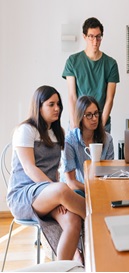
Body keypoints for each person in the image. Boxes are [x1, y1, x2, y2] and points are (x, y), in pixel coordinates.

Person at [8, 86, 87, 261]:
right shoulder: (26, 130)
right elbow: (30, 169)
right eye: (51, 104)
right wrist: (57, 192)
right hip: (23, 195)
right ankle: (98, 218)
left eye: (58, 104)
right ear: (39, 106)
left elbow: (55, 171)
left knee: (73, 221)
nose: (57, 108)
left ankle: (65, 266)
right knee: (63, 190)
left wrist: (57, 194)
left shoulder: (58, 133)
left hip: (50, 194)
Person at [62, 17, 120, 133]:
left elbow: (109, 98)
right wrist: (74, 125)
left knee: (102, 151)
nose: (95, 41)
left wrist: (101, 126)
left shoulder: (111, 64)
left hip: (101, 121)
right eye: (91, 36)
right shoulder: (72, 61)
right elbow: (72, 96)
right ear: (85, 36)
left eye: (98, 37)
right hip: (79, 121)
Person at [62, 96, 115, 197]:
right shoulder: (70, 140)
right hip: (78, 190)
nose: (94, 118)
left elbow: (109, 174)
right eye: (89, 115)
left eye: (96, 113)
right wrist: (92, 189)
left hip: (101, 189)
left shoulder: (108, 139)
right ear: (81, 117)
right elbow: (71, 182)